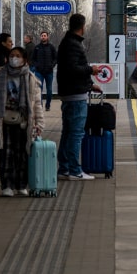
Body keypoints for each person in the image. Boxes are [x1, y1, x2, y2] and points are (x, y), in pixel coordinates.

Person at [0, 46, 44, 196]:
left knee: (22, 153)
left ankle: (21, 185)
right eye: (11, 55)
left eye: (17, 56)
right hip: (3, 120)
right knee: (5, 153)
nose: (13, 58)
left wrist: (40, 123)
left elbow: (36, 103)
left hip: (23, 121)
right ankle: (6, 185)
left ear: (24, 59)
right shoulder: (1, 76)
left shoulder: (30, 78)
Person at [56, 13, 100, 181]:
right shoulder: (73, 45)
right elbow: (73, 69)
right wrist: (91, 70)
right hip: (75, 97)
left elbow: (71, 69)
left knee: (68, 133)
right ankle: (75, 170)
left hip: (71, 93)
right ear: (83, 27)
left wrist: (90, 85)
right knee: (75, 134)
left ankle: (64, 169)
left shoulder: (67, 43)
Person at [31, 30, 58, 111]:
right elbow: (33, 59)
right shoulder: (37, 47)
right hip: (39, 72)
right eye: (42, 35)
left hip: (49, 72)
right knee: (39, 89)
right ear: (40, 37)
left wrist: (52, 65)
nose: (43, 37)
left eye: (45, 35)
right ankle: (40, 106)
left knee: (49, 90)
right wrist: (36, 66)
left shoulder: (51, 47)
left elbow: (56, 58)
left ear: (47, 37)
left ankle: (48, 105)